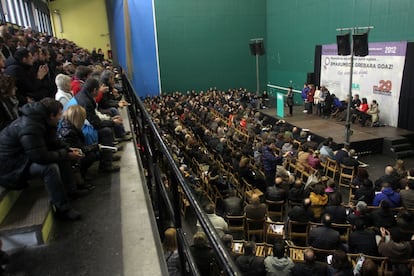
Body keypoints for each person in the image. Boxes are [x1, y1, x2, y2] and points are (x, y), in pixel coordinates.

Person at [0, 98, 84, 220]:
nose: (61, 117)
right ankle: (63, 209)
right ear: (51, 115)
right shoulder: (30, 127)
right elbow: (40, 157)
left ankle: (72, 191)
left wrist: (68, 149)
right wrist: (65, 154)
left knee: (63, 155)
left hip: (22, 157)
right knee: (50, 168)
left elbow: (53, 141)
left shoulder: (42, 121)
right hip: (10, 166)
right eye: (59, 114)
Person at [75, 78, 121, 172]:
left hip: (82, 126)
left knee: (107, 126)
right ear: (95, 90)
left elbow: (94, 118)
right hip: (82, 131)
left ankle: (109, 155)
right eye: (98, 89)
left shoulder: (83, 95)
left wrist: (110, 119)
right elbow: (96, 124)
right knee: (106, 131)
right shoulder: (86, 101)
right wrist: (112, 122)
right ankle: (106, 165)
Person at [57, 105, 99, 190]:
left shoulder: (67, 125)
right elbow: (79, 150)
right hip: (70, 157)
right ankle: (80, 181)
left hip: (70, 153)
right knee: (90, 156)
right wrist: (95, 147)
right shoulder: (70, 132)